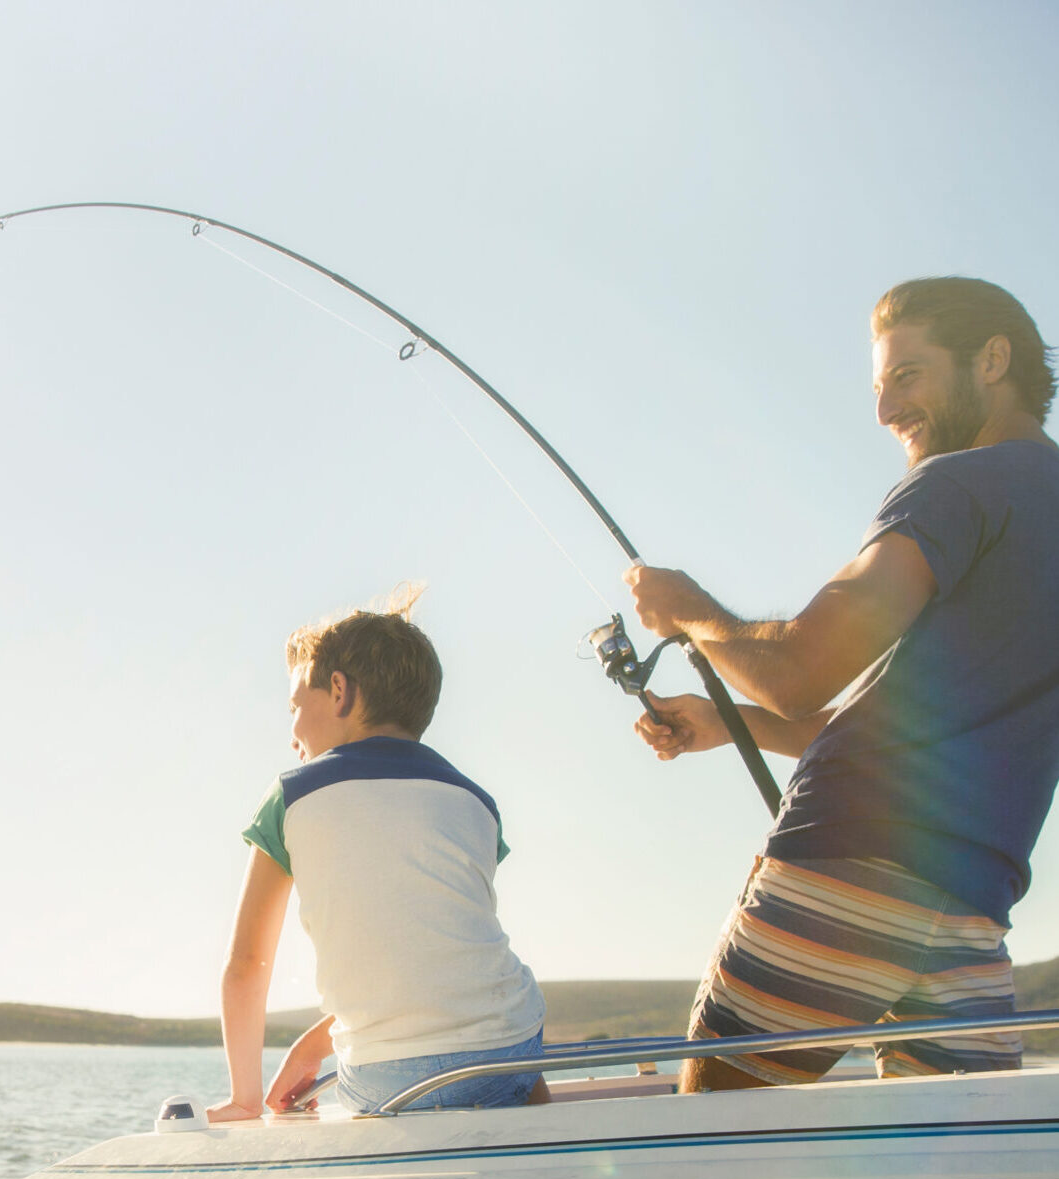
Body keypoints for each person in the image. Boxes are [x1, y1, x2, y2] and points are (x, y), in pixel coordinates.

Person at [629, 277, 1059, 1090]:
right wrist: (732, 723)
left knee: (715, 1157)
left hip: (849, 863)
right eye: (877, 386)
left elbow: (798, 670)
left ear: (993, 360)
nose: (885, 412)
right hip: (971, 910)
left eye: (908, 377)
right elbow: (950, 723)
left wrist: (686, 610)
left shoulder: (957, 485)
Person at [206, 589, 546, 1120]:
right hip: (512, 1052)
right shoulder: (477, 801)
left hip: (385, 1078)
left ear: (339, 691)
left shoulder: (292, 797)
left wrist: (245, 1099)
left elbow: (247, 965)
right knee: (511, 1041)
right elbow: (437, 957)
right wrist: (312, 1044)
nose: (293, 730)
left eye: (296, 706)